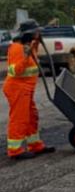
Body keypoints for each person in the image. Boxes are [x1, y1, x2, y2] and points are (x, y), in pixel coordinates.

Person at [3, 20, 54, 159]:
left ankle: (35, 145)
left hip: (26, 88)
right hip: (17, 88)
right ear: (28, 34)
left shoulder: (28, 46)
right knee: (19, 118)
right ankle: (15, 150)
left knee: (32, 117)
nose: (38, 34)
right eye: (35, 32)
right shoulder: (17, 48)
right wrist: (26, 57)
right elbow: (15, 71)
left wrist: (36, 43)